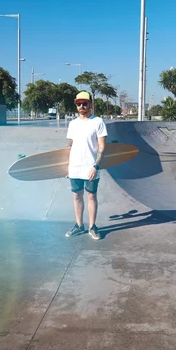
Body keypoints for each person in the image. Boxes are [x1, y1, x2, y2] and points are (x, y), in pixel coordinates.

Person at [65, 91, 107, 240]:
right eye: (79, 103)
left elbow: (102, 148)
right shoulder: (72, 124)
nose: (81, 106)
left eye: (84, 103)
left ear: (90, 104)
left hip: (91, 167)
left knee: (91, 196)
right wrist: (67, 166)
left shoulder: (98, 122)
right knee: (77, 195)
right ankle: (79, 225)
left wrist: (96, 166)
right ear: (76, 105)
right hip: (75, 167)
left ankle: (92, 226)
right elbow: (70, 146)